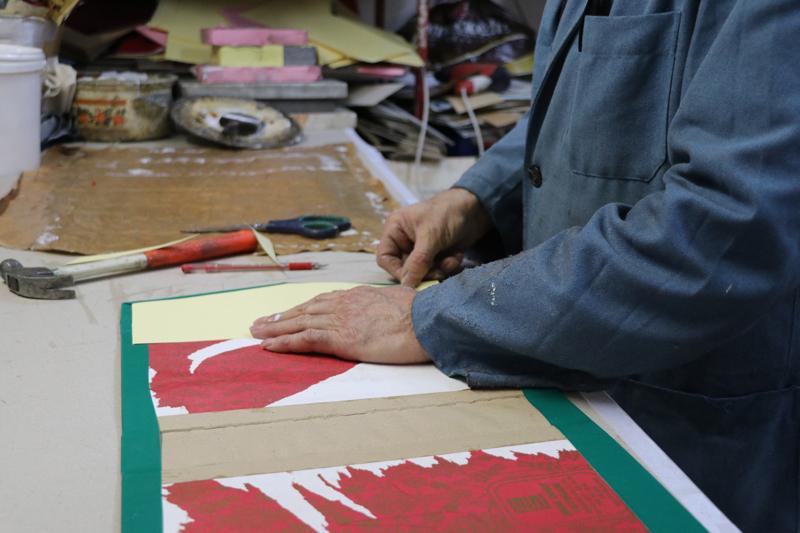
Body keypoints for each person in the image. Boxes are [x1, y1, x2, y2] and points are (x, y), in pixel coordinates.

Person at [250, 1, 800, 530]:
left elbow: (721, 231)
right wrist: (478, 199)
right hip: (564, 385)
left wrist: (434, 315)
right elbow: (582, 107)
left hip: (688, 429)